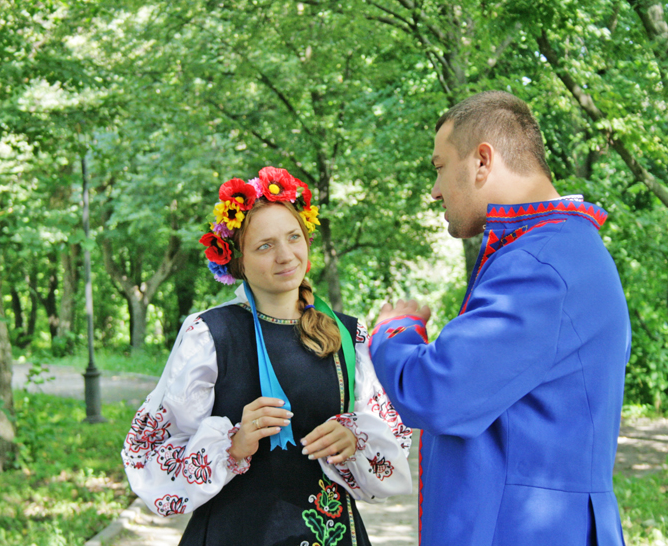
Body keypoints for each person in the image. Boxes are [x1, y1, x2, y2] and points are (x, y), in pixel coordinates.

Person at [369, 91, 630, 546]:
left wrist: (394, 332)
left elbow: (438, 391)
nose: (434, 190)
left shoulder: (539, 265)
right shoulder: (560, 249)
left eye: (439, 167)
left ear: (482, 162)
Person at [122, 166, 413, 546]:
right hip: (235, 533)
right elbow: (149, 451)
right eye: (264, 245)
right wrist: (233, 444)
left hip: (330, 533)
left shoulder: (348, 334)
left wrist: (355, 441)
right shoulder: (210, 334)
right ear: (237, 260)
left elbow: (392, 440)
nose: (285, 255)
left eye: (293, 237)